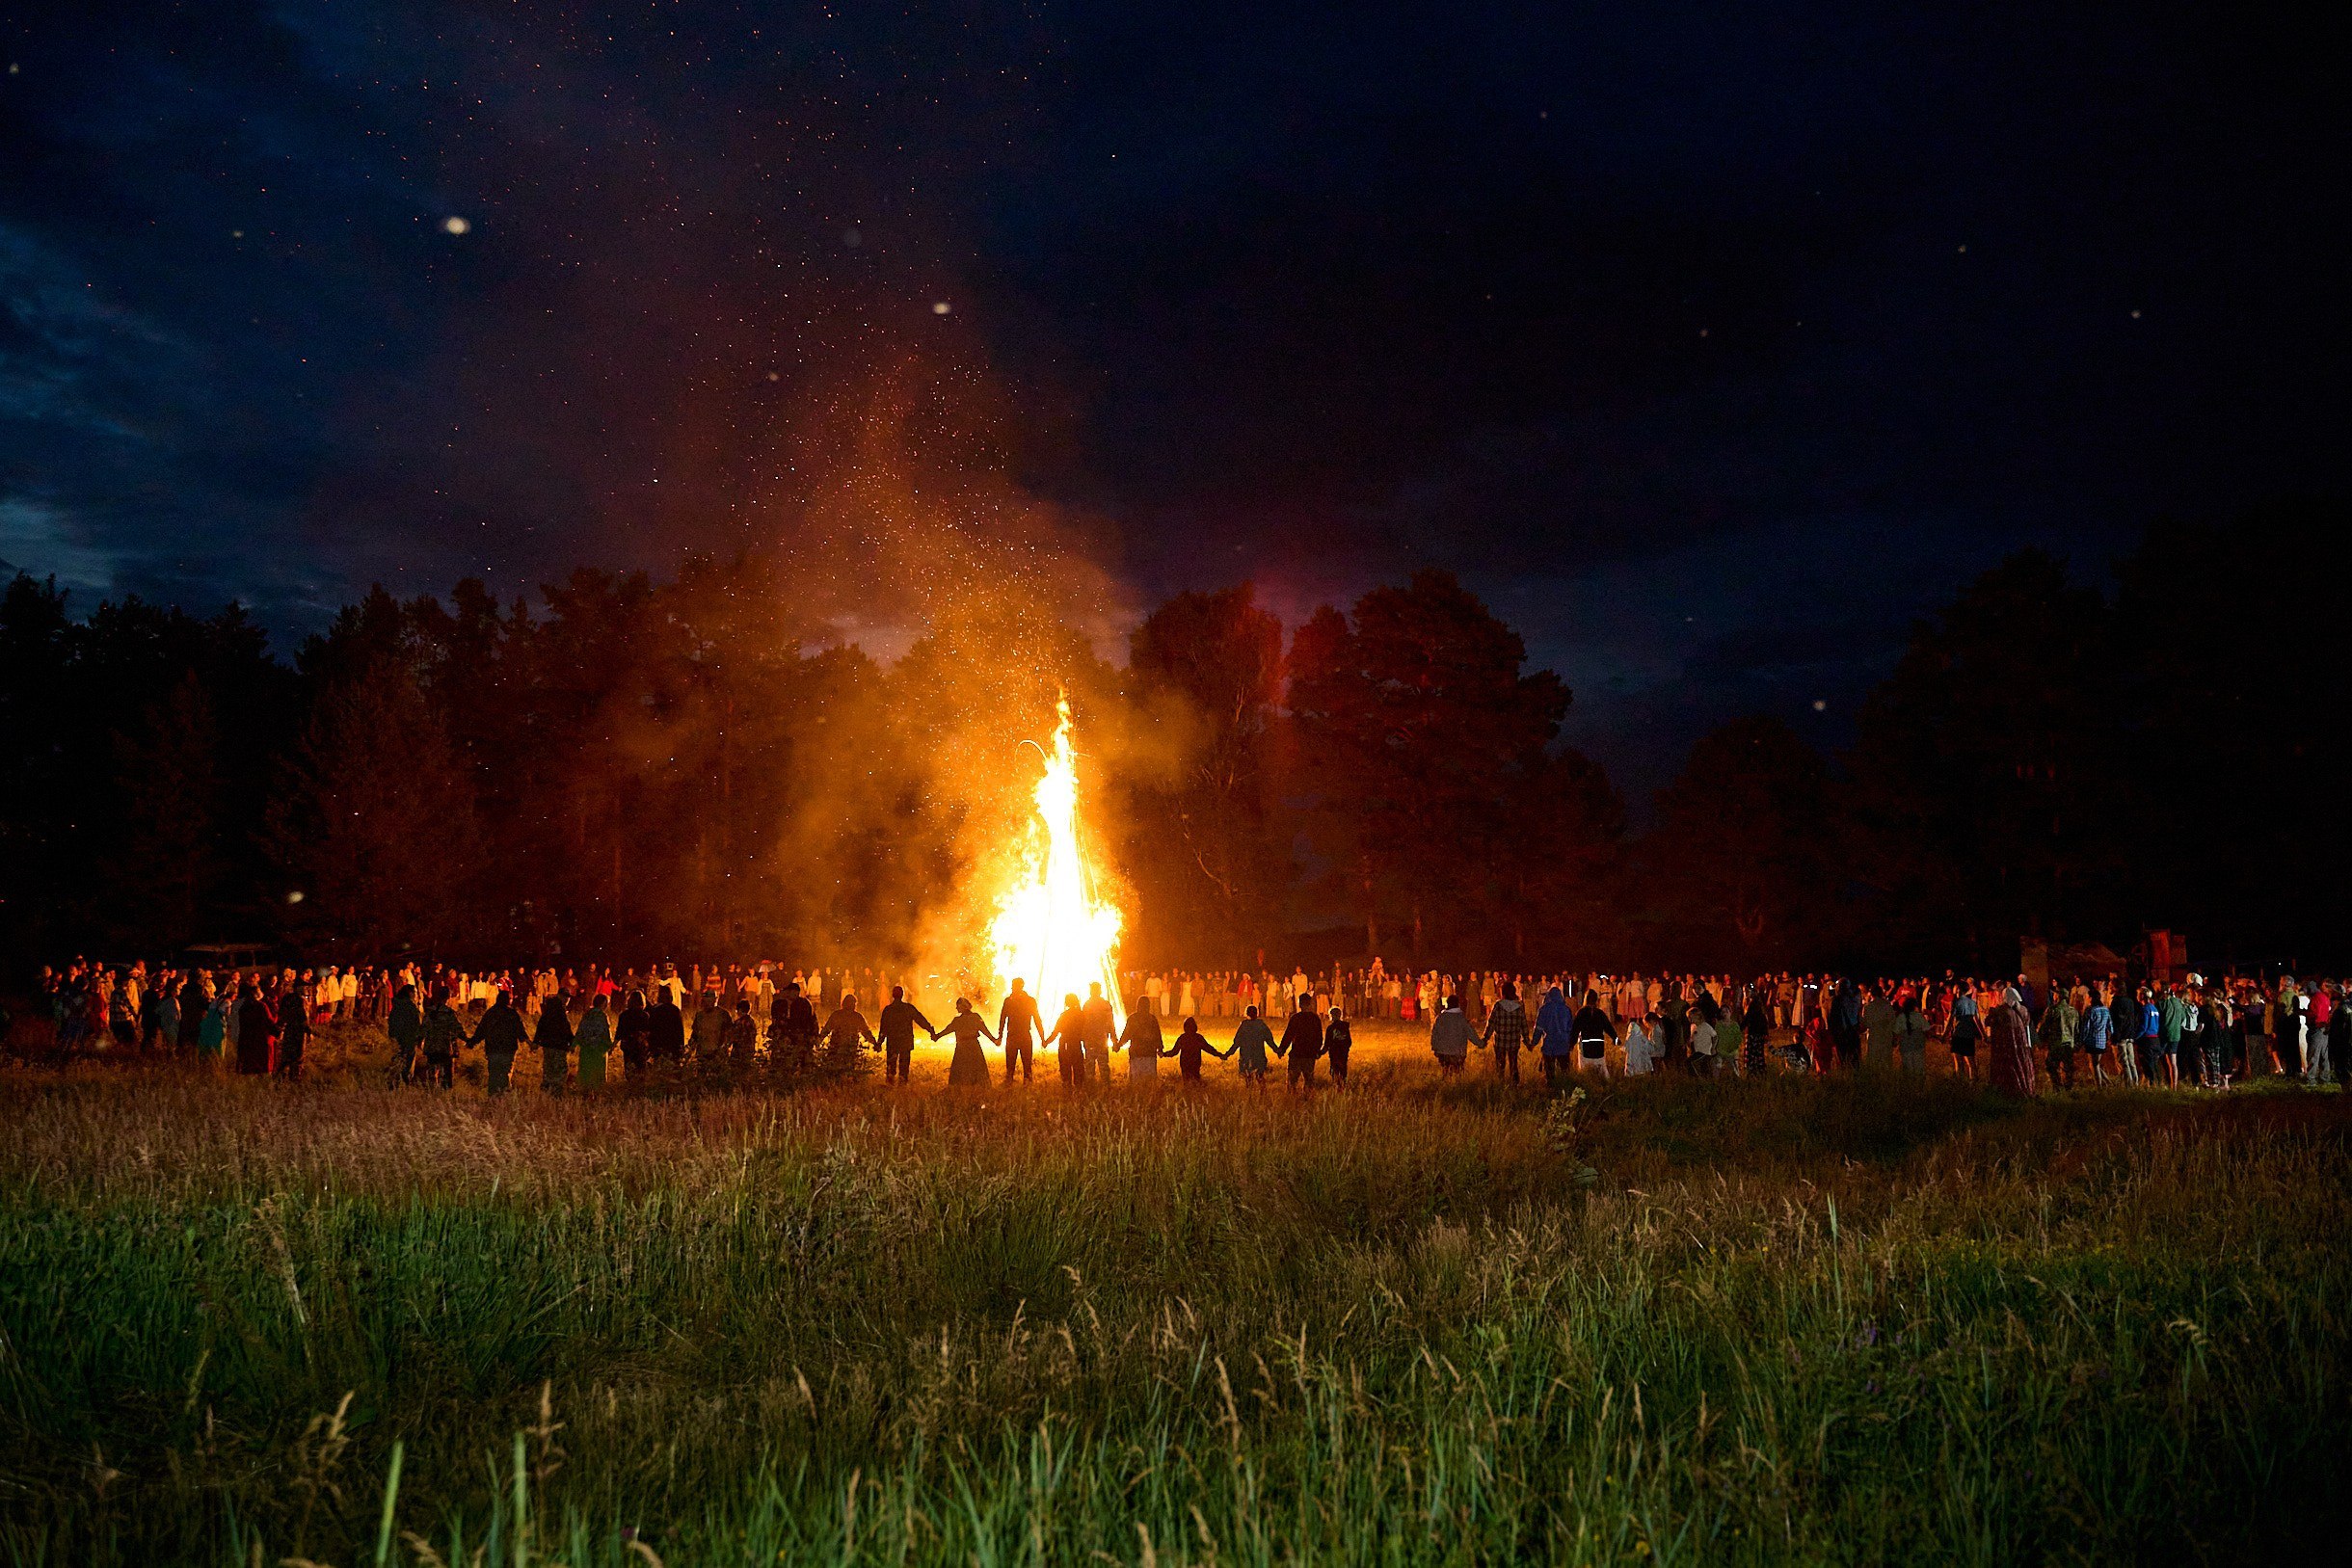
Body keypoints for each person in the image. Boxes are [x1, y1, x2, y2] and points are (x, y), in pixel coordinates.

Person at [876, 985, 936, 1085]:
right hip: (905, 1042)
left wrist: (879, 1042)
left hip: (893, 1042)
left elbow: (883, 1028)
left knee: (891, 1065)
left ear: (892, 995)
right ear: (902, 995)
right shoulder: (908, 1008)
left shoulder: (888, 1010)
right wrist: (930, 1030)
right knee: (904, 1066)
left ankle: (890, 1084)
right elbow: (920, 1020)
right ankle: (902, 1084)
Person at [472, 989, 528, 1095]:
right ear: (508, 1000)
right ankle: (503, 1098)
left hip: (493, 1050)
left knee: (493, 1075)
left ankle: (493, 1098)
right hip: (508, 1050)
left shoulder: (490, 1013)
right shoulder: (512, 1014)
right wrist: (529, 1042)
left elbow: (481, 1030)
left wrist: (472, 1042)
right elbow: (520, 1031)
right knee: (505, 1075)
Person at [935, 997, 999, 1087]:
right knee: (975, 1066)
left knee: (962, 1067)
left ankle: (962, 1085)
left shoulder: (961, 1020)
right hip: (973, 1046)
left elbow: (947, 1030)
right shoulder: (974, 1017)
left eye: (958, 1006)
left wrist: (937, 1036)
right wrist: (994, 1040)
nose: (956, 1008)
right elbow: (984, 1030)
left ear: (964, 1007)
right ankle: (975, 1085)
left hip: (963, 1047)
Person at [1987, 985, 2037, 1096]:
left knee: (2008, 1064)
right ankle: (2023, 1087)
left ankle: (2007, 1089)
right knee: (2020, 1063)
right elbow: (2027, 1026)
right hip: (2021, 1043)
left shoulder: (2000, 1010)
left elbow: (1989, 1022)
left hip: (2006, 1042)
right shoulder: (2023, 1010)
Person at [1480, 982, 1529, 1083]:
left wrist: (1485, 1039)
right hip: (1514, 1042)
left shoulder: (1498, 1005)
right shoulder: (1519, 1006)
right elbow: (1523, 1025)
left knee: (1500, 1066)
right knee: (1514, 1064)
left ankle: (1500, 1083)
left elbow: (1491, 1023)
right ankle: (1515, 1084)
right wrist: (1527, 1041)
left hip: (1500, 1041)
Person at [996, 977, 1041, 1083]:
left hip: (1015, 1036)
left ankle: (1011, 1082)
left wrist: (1000, 1036)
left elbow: (1003, 1019)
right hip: (1021, 1036)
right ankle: (1024, 1082)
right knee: (1023, 1064)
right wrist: (1043, 1038)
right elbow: (1037, 1020)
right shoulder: (1029, 1000)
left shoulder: (1009, 1001)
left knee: (1014, 1064)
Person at [1534, 985, 1578, 1086]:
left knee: (1549, 1073)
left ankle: (1551, 1088)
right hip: (1563, 1044)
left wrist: (1534, 1042)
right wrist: (1571, 1043)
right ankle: (1565, 1088)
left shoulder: (1543, 1010)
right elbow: (1570, 1028)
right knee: (1565, 1071)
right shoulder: (1566, 1010)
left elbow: (1539, 1028)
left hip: (1549, 1045)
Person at [419, 988, 464, 1089]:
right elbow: (457, 1029)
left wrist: (419, 1041)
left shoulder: (430, 1011)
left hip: (431, 1047)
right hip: (445, 1047)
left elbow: (423, 1029)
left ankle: (432, 1093)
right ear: (448, 997)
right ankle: (445, 1093)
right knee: (447, 1074)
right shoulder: (449, 1013)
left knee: (432, 1073)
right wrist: (467, 1040)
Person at [1278, 994, 1324, 1089]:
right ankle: (1307, 1096)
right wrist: (1317, 1051)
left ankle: (1291, 1097)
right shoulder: (1315, 1018)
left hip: (1297, 1053)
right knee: (1309, 1080)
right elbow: (1319, 1037)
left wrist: (1282, 1049)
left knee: (1292, 1081)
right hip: (1309, 1054)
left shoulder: (1295, 1018)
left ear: (1299, 1004)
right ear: (1310, 1003)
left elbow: (1288, 1035)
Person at [821, 993, 878, 1070]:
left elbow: (826, 1030)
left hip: (840, 1048)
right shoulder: (855, 1016)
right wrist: (875, 1043)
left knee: (836, 1069)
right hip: (846, 1048)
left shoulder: (838, 1015)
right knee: (847, 1069)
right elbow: (866, 1032)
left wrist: (818, 1040)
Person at [1115, 997, 1164, 1083]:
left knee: (1136, 1079)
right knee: (1149, 1080)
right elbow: (1157, 1036)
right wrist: (1160, 1049)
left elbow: (1126, 1035)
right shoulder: (1152, 1019)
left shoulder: (1133, 1018)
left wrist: (1118, 1045)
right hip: (1150, 1054)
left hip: (1136, 1054)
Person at [1044, 992, 1089, 1086]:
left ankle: (1067, 1087)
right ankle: (1079, 1088)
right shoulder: (1081, 1015)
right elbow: (1085, 1031)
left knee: (1065, 1068)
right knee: (1078, 1067)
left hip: (1065, 1045)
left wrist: (1046, 1042)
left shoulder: (1064, 1015)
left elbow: (1056, 1031)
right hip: (1077, 1045)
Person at [1574, 990, 1619, 1077]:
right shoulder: (1600, 1013)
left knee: (1584, 1071)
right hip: (1598, 1046)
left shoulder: (1581, 1013)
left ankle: (1586, 1080)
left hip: (1586, 1046)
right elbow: (1609, 1028)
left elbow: (1575, 1029)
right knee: (1601, 1069)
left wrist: (1571, 1043)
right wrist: (1616, 1039)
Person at [1168, 1016, 1227, 1082]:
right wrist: (1220, 1055)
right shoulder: (1198, 1038)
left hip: (1185, 1064)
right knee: (1196, 1081)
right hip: (1195, 1063)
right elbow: (1209, 1049)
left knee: (1186, 1082)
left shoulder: (1182, 1038)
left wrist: (1164, 1054)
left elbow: (1174, 1052)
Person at [536, 991, 574, 1095]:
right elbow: (565, 1028)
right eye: (566, 997)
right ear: (561, 997)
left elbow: (541, 1024)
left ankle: (546, 1092)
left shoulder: (549, 1008)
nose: (567, 1000)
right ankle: (556, 1093)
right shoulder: (560, 1010)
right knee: (559, 1071)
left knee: (548, 1069)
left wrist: (536, 1041)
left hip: (548, 1044)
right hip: (559, 1045)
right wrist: (571, 1041)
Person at [387, 982, 425, 1085]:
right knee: (408, 1063)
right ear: (410, 993)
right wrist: (420, 1040)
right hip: (409, 1039)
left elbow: (391, 1022)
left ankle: (393, 1083)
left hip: (397, 1039)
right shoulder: (412, 1008)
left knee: (397, 1061)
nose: (417, 995)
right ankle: (405, 1084)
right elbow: (418, 1025)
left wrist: (392, 1036)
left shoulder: (396, 1006)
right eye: (415, 992)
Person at [234, 981, 275, 1076]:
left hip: (247, 1038)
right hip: (261, 1038)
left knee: (249, 1065)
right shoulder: (261, 1006)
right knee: (261, 1065)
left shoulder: (244, 1006)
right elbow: (268, 1021)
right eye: (260, 990)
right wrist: (277, 1031)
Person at [1080, 983, 1116, 1084]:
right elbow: (1110, 1023)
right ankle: (1106, 1085)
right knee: (1103, 1064)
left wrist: (1082, 1037)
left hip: (1090, 1039)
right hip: (1102, 1039)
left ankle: (1090, 1085)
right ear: (1100, 991)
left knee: (1089, 1064)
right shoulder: (1105, 1005)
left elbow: (1083, 1023)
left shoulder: (1087, 1005)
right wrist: (1114, 1039)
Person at [275, 977, 310, 1082]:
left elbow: (281, 1013)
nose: (306, 989)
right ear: (298, 988)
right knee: (298, 1054)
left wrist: (281, 1027)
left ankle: (279, 1077)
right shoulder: (300, 1000)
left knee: (287, 1054)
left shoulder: (287, 998)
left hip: (289, 1029)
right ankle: (294, 1077)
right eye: (304, 987)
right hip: (298, 1030)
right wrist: (308, 1031)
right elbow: (303, 1017)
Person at [575, 992, 612, 1090]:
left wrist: (575, 1044)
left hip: (586, 1049)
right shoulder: (602, 1016)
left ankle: (585, 1092)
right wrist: (609, 1046)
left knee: (586, 1074)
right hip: (599, 1050)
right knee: (598, 1076)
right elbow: (605, 1032)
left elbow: (580, 1030)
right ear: (603, 1004)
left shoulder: (587, 1015)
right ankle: (596, 1093)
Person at [1230, 1005, 1276, 1085]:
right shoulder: (1261, 1025)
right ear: (1257, 1014)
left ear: (1247, 1014)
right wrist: (1278, 1050)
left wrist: (1228, 1053)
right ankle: (1262, 1091)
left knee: (1248, 1075)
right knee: (1260, 1076)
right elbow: (1270, 1040)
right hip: (1259, 1055)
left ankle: (1250, 1089)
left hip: (1246, 1055)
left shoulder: (1244, 1025)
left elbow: (1237, 1042)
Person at [1429, 994, 1472, 1075]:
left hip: (1442, 1052)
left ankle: (1445, 1074)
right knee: (1457, 1070)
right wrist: (1481, 1043)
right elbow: (1471, 1033)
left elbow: (1434, 1034)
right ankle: (1456, 1073)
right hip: (1458, 1052)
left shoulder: (1440, 1018)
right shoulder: (1461, 1018)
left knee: (1446, 1068)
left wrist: (1435, 1048)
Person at [650, 987, 686, 1069]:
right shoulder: (675, 1010)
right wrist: (681, 1047)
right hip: (673, 1046)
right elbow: (680, 1030)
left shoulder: (655, 1010)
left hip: (659, 1046)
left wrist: (651, 1047)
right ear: (671, 998)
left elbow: (651, 1029)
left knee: (659, 1069)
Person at [726, 997, 760, 1077]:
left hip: (738, 1052)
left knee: (736, 1074)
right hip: (749, 1051)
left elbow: (732, 1037)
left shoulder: (738, 1023)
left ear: (740, 1010)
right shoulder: (752, 1022)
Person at [1324, 1007, 1353, 1086]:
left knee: (1334, 1071)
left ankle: (1337, 1086)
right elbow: (1349, 1041)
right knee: (1343, 1071)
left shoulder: (1330, 1028)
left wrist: (1320, 1052)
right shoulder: (1345, 1027)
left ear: (1331, 1016)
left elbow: (1327, 1043)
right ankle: (1344, 1086)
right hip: (1343, 1054)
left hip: (1334, 1054)